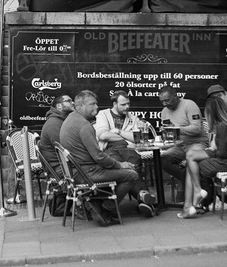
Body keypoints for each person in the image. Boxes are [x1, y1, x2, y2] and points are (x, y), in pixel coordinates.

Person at [59, 90, 156, 225]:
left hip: (76, 172)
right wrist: (120, 165)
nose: (96, 107)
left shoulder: (70, 119)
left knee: (128, 165)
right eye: (92, 104)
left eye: (96, 103)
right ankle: (106, 208)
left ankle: (97, 203)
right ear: (80, 106)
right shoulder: (84, 125)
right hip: (87, 173)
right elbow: (98, 156)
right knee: (132, 175)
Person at [179, 96, 227, 218]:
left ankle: (192, 203)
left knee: (191, 165)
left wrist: (210, 152)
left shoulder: (222, 126)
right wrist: (209, 151)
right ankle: (194, 199)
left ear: (211, 112)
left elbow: (222, 153)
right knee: (190, 155)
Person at [94, 90, 157, 217]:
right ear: (114, 104)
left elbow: (136, 138)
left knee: (134, 164)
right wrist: (127, 136)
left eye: (128, 104)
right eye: (123, 104)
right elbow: (103, 135)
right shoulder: (103, 114)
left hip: (128, 149)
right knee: (126, 170)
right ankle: (143, 197)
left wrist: (117, 131)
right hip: (109, 149)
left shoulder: (132, 117)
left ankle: (142, 198)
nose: (127, 107)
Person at [158, 85, 208, 204]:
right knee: (162, 159)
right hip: (179, 145)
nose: (165, 104)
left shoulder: (189, 105)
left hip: (197, 142)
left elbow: (196, 129)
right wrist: (166, 133)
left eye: (167, 100)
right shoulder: (164, 111)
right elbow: (171, 134)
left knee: (192, 158)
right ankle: (185, 180)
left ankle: (185, 189)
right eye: (162, 101)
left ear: (175, 96)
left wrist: (176, 128)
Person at [38, 92, 75, 170]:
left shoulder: (61, 121)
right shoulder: (54, 124)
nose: (73, 103)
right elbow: (65, 149)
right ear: (59, 106)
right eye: (68, 101)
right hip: (62, 169)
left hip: (66, 165)